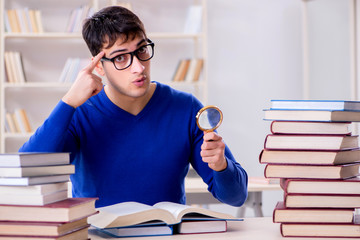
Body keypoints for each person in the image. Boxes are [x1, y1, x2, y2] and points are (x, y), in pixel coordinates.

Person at [19, 6, 248, 208]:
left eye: (142, 50)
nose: (138, 67)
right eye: (120, 58)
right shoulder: (79, 114)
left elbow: (236, 197)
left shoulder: (185, 108)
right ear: (99, 67)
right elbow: (29, 171)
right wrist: (67, 102)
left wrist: (221, 165)